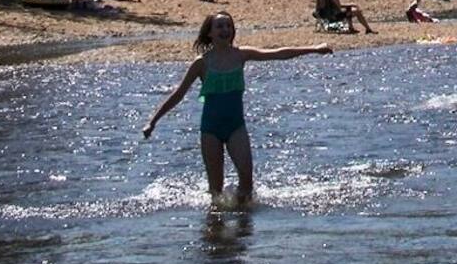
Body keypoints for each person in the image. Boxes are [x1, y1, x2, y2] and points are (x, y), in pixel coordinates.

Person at [142, 12, 334, 206]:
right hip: (210, 130)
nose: (225, 30)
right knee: (216, 192)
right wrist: (153, 121)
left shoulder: (241, 55)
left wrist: (314, 49)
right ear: (210, 33)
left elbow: (278, 53)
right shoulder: (201, 63)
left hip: (236, 127)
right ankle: (216, 231)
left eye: (228, 26)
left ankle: (244, 228)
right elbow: (178, 94)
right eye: (220, 26)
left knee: (247, 184)